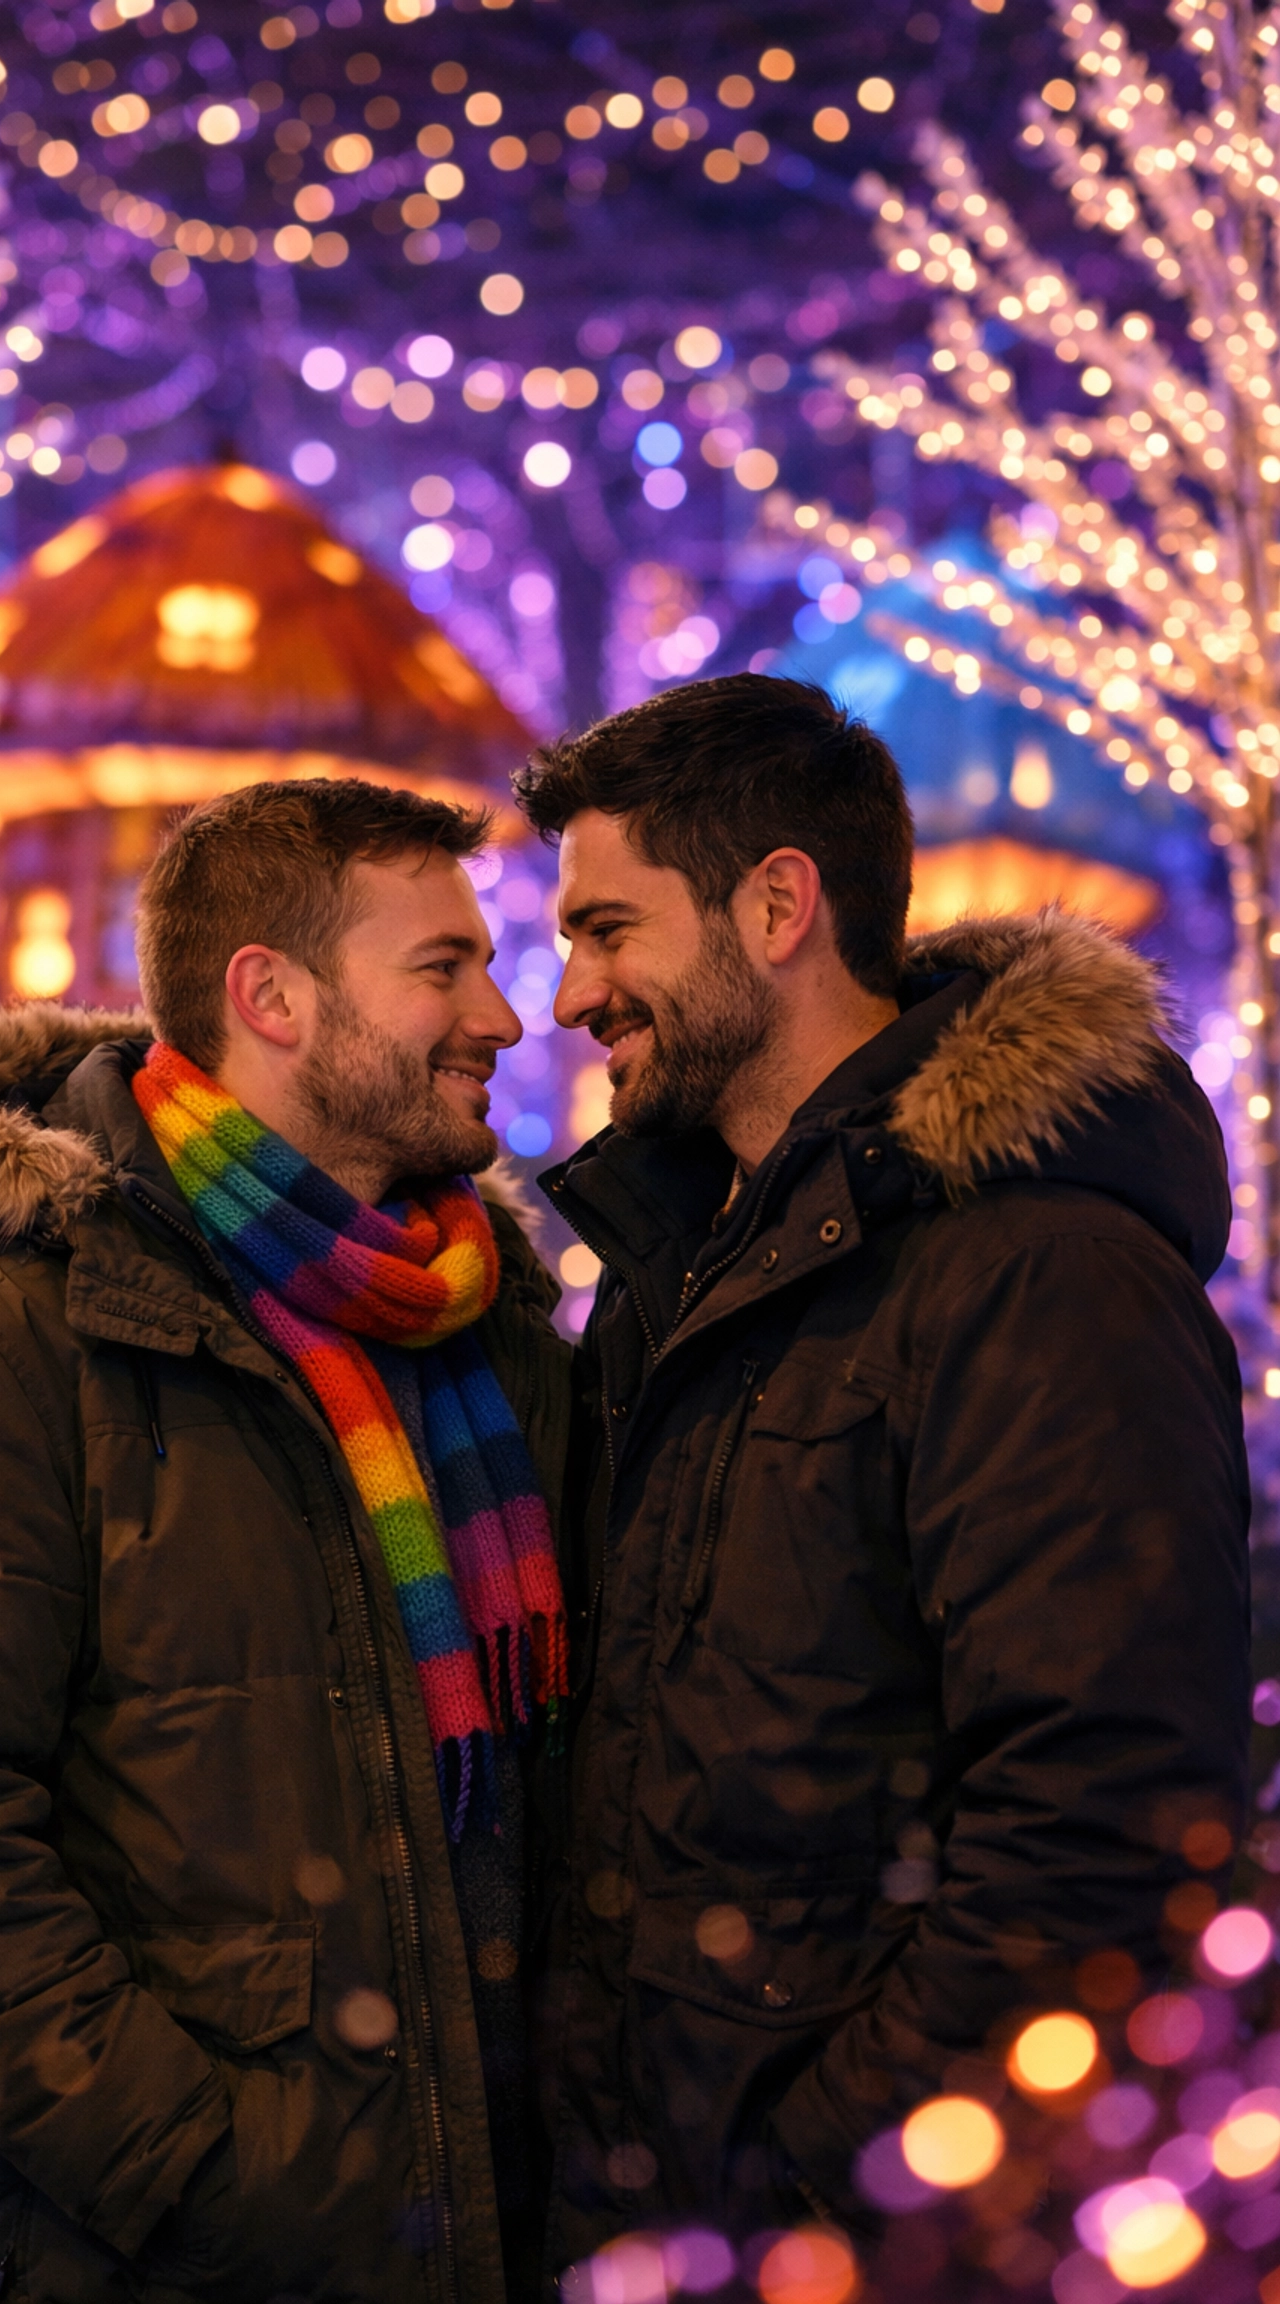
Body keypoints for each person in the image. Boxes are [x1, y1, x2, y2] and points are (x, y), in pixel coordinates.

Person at [0, 778, 573, 2304]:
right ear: (271, 997)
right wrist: (207, 2177)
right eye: (443, 967)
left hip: (485, 2231)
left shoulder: (490, 1337)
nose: (501, 1016)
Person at [514, 674, 1250, 2274]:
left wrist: (818, 2172)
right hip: (672, 2209)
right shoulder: (685, 1280)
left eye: (608, 928)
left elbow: (1105, 1825)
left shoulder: (1040, 1276)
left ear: (779, 905)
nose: (572, 994)